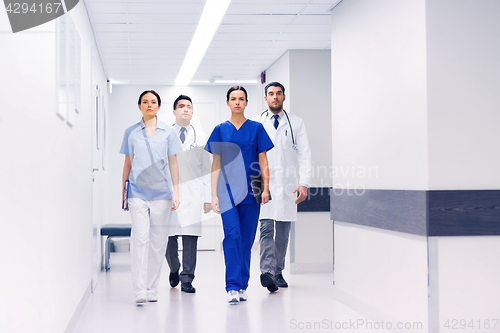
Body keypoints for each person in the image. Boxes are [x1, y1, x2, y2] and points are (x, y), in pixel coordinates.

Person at [205, 86, 274, 304]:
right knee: (232, 236)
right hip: (226, 191)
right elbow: (215, 164)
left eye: (241, 99)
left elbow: (263, 160)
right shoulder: (220, 130)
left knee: (246, 239)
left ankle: (243, 284)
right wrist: (213, 194)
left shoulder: (256, 128)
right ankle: (232, 286)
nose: (237, 102)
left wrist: (266, 187)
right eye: (233, 99)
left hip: (251, 190)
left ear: (246, 103)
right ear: (227, 102)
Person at [121, 90, 183, 304]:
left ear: (158, 106)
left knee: (158, 243)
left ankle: (151, 288)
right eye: (145, 102)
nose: (149, 105)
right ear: (139, 106)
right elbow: (127, 164)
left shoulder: (168, 133)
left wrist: (176, 191)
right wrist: (123, 191)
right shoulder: (131, 133)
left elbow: (173, 162)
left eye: (153, 102)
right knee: (140, 239)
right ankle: (139, 289)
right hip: (137, 193)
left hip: (162, 195)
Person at [254, 82, 312, 292]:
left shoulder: (295, 123)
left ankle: (278, 271)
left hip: (287, 184)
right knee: (266, 228)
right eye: (271, 94)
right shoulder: (256, 123)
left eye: (278, 93)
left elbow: (305, 154)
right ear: (265, 98)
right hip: (264, 185)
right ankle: (267, 271)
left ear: (284, 97)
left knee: (283, 231)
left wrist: (304, 183)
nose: (275, 97)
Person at [165, 95, 212, 294]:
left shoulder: (201, 137)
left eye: (189, 107)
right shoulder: (165, 135)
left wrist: (208, 197)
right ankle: (174, 268)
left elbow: (206, 168)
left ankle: (187, 278)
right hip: (169, 192)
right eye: (181, 106)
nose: (185, 109)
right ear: (174, 111)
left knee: (190, 238)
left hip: (193, 193)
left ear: (192, 112)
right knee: (169, 238)